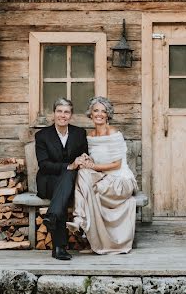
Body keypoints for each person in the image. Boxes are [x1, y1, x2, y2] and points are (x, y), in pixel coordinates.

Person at [70, 96, 137, 254]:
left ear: (108, 115)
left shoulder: (113, 132)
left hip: (121, 182)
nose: (99, 114)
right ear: (90, 114)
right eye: (96, 110)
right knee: (83, 172)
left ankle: (80, 219)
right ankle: (79, 219)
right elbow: (97, 161)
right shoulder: (91, 136)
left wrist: (93, 166)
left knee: (86, 178)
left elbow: (116, 164)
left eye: (103, 111)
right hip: (104, 179)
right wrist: (87, 160)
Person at [34, 98, 89, 261]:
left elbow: (85, 155)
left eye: (66, 112)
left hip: (71, 184)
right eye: (59, 111)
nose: (62, 115)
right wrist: (69, 166)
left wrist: (82, 160)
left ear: (71, 115)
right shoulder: (42, 136)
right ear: (54, 113)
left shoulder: (79, 134)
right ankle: (59, 246)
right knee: (67, 176)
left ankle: (53, 218)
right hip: (48, 181)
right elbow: (44, 165)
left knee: (69, 178)